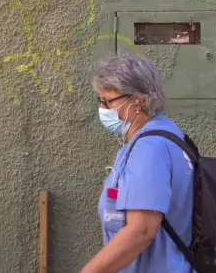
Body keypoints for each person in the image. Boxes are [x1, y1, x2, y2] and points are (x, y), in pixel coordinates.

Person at [79, 54, 195, 273]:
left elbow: (141, 231)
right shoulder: (166, 134)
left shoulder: (149, 148)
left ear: (138, 101)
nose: (103, 109)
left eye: (108, 101)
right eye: (100, 101)